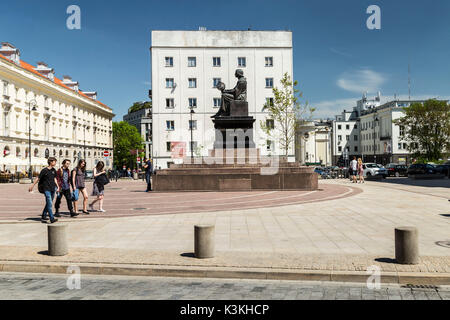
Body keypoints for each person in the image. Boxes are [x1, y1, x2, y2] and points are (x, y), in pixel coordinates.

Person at [29, 157, 59, 223]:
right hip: (46, 189)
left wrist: (58, 186)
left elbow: (55, 179)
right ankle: (52, 218)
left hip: (53, 188)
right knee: (50, 203)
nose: (55, 163)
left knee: (49, 203)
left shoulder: (54, 170)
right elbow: (38, 178)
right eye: (54, 161)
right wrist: (32, 185)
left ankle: (44, 215)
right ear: (51, 162)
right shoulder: (44, 170)